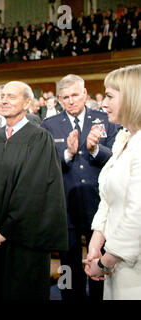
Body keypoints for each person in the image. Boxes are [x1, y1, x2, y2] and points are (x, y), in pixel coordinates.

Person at [0, 81, 68, 300]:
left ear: (28, 103)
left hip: (23, 241)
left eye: (12, 96)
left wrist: (5, 231)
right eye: (2, 95)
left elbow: (33, 192)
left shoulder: (40, 138)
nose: (5, 100)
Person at [41, 74, 118, 300]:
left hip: (100, 206)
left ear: (85, 93)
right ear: (59, 99)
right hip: (66, 206)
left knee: (100, 264)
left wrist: (95, 149)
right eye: (65, 97)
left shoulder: (105, 119)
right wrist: (68, 154)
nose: (71, 100)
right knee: (68, 266)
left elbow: (116, 158)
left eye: (75, 95)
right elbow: (45, 165)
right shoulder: (49, 125)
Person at [84, 64, 141, 300]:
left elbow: (137, 214)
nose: (102, 104)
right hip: (117, 263)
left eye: (109, 96)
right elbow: (108, 199)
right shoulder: (123, 138)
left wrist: (105, 262)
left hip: (132, 269)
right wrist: (97, 241)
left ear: (132, 96)